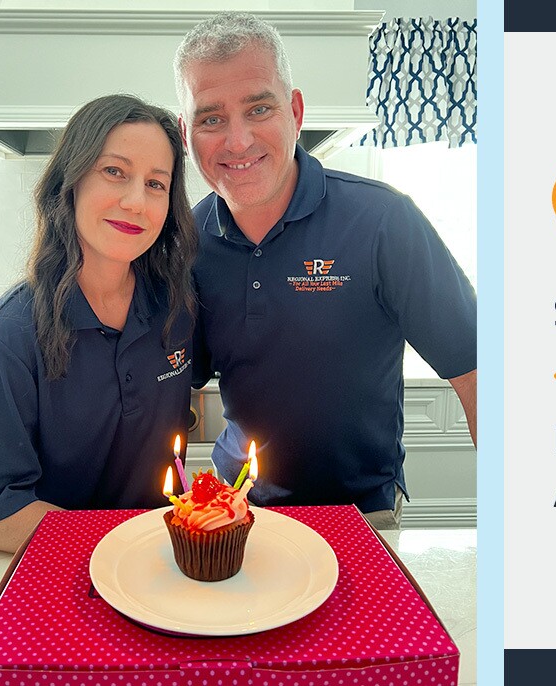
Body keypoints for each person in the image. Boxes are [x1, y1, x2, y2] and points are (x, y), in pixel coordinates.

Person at [175, 12, 477, 529]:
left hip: (362, 516)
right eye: (211, 119)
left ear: (295, 111)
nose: (239, 140)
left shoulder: (384, 221)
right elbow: (171, 385)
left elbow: (479, 373)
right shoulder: (185, 244)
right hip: (233, 515)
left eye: (259, 108)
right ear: (186, 134)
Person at [0, 94, 199, 552]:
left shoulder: (177, 308)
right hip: (58, 574)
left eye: (156, 184)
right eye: (115, 172)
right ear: (71, 180)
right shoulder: (11, 334)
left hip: (167, 565)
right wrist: (120, 547)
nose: (135, 202)